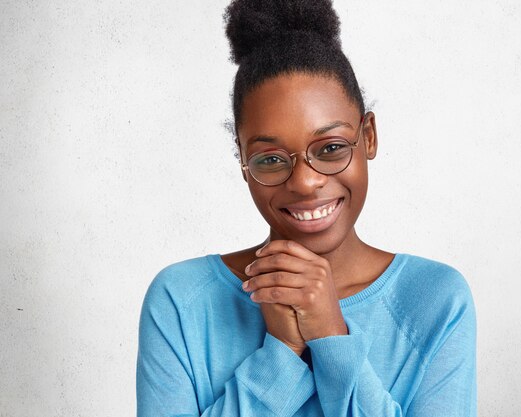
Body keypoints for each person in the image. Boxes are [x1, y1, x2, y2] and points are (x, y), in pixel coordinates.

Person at [136, 0, 477, 416]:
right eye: (271, 159)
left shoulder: (436, 300)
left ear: (368, 137)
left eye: (331, 148)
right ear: (243, 163)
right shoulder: (180, 302)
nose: (304, 182)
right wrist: (281, 352)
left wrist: (331, 336)